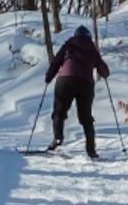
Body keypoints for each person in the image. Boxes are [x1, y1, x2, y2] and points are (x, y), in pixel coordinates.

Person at [43, 21, 110, 158]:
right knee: (86, 117)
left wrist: (49, 77)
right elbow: (103, 69)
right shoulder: (92, 49)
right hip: (85, 83)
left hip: (65, 80)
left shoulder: (68, 45)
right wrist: (104, 74)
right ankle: (91, 150)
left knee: (59, 111)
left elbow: (56, 62)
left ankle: (58, 137)